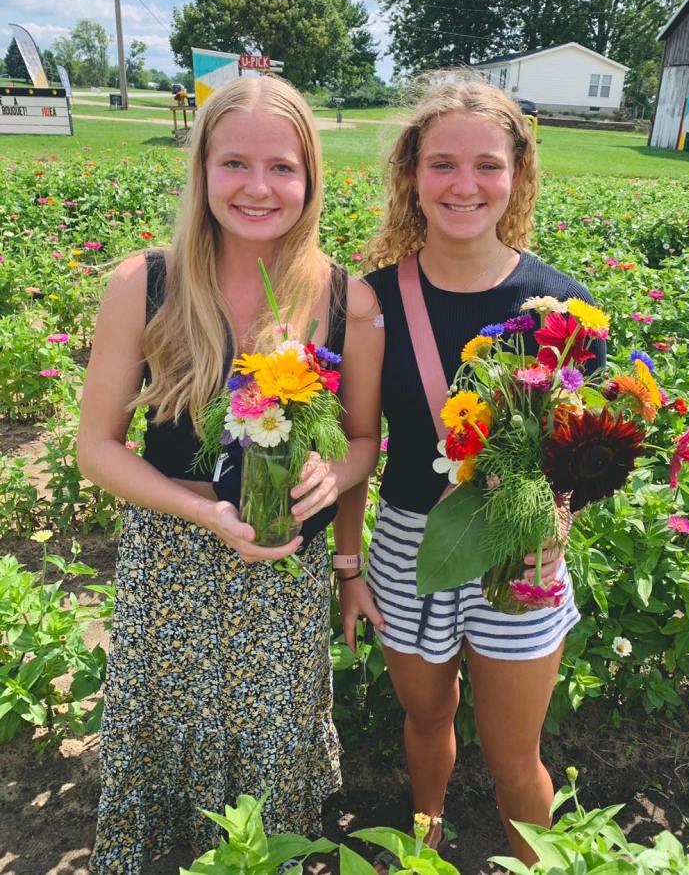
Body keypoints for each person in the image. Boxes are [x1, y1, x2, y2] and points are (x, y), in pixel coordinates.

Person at [77, 75, 384, 873]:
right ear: (202, 171)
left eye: (282, 167)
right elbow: (98, 448)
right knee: (169, 728)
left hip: (285, 570)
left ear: (311, 177)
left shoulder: (347, 298)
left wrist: (331, 484)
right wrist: (204, 512)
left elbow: (361, 441)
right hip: (172, 562)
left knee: (269, 744)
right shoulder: (143, 281)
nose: (258, 187)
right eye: (234, 164)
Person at [338, 77, 606, 867]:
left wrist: (558, 522)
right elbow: (359, 441)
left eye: (487, 165)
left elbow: (583, 456)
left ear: (518, 174)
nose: (464, 185)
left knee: (515, 757)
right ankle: (425, 842)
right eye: (442, 164)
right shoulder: (373, 301)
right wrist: (349, 565)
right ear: (411, 175)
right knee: (425, 721)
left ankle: (537, 864)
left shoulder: (562, 307)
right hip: (406, 551)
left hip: (519, 557)